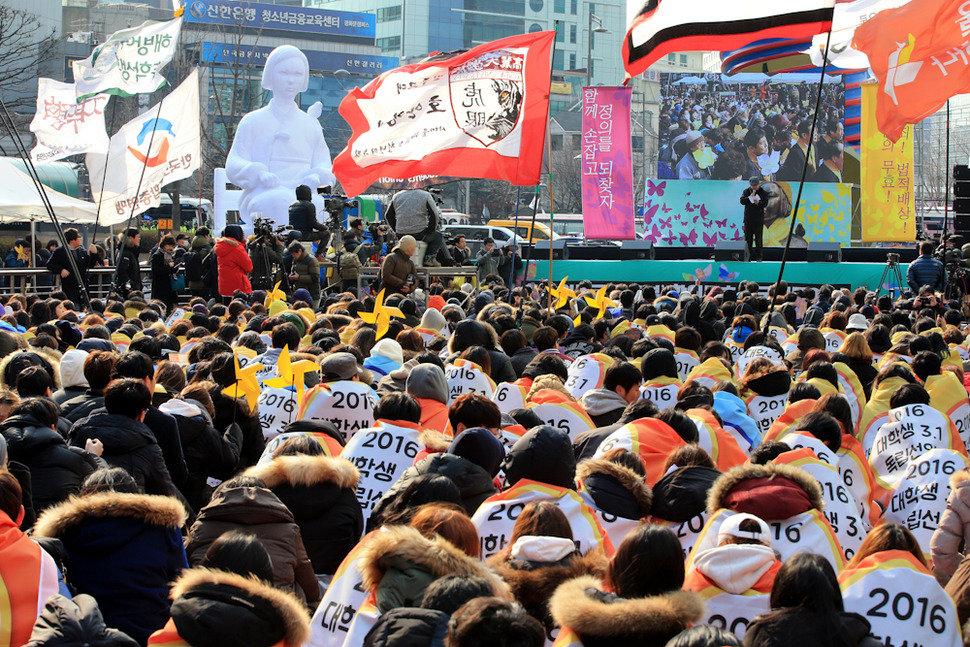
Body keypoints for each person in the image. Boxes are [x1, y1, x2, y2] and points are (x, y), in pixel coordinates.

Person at [33, 467, 189, 646]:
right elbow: (181, 587)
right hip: (151, 636)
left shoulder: (65, 534)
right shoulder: (163, 529)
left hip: (91, 636)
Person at [225, 45, 334, 226]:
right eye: (284, 73)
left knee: (317, 206)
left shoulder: (310, 124)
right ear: (270, 75)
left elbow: (325, 165)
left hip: (303, 192)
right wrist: (258, 173)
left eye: (297, 74)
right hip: (265, 193)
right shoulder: (252, 121)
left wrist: (316, 176)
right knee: (279, 202)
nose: (290, 80)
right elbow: (235, 163)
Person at [385, 189, 450, 267]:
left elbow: (388, 215)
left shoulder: (396, 196)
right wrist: (430, 230)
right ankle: (429, 258)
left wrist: (396, 229)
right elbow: (434, 214)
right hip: (419, 232)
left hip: (401, 233)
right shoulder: (425, 195)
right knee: (438, 236)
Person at [46, 228, 94, 306]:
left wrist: (94, 254)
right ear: (72, 240)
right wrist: (61, 270)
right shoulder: (60, 251)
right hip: (70, 288)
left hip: (83, 288)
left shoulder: (82, 251)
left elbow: (89, 264)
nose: (80, 238)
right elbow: (50, 264)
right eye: (78, 237)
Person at [215, 225, 253, 300]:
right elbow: (249, 267)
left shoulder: (220, 246)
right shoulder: (237, 248)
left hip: (224, 287)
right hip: (239, 287)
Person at [149, 234, 180, 313]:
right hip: (160, 286)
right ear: (165, 245)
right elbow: (156, 270)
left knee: (170, 307)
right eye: (170, 245)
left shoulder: (171, 255)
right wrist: (169, 268)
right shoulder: (157, 255)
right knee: (160, 307)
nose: (172, 248)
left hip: (170, 285)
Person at [740, 177, 768, 262]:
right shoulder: (746, 191)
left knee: (758, 240)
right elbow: (742, 201)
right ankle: (748, 257)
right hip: (748, 220)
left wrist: (758, 203)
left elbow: (765, 203)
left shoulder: (763, 192)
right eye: (752, 186)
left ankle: (759, 257)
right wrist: (749, 198)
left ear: (758, 185)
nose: (754, 187)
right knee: (748, 240)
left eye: (755, 185)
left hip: (758, 220)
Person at [287, 241, 320, 307]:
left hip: (312, 294)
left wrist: (299, 277)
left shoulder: (312, 260)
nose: (293, 256)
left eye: (294, 254)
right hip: (299, 294)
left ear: (299, 251)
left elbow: (315, 278)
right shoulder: (295, 260)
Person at [114, 227, 142, 296]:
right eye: (137, 237)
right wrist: (130, 284)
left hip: (132, 287)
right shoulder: (125, 253)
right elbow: (122, 271)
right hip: (129, 290)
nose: (139, 239)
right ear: (130, 238)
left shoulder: (130, 251)